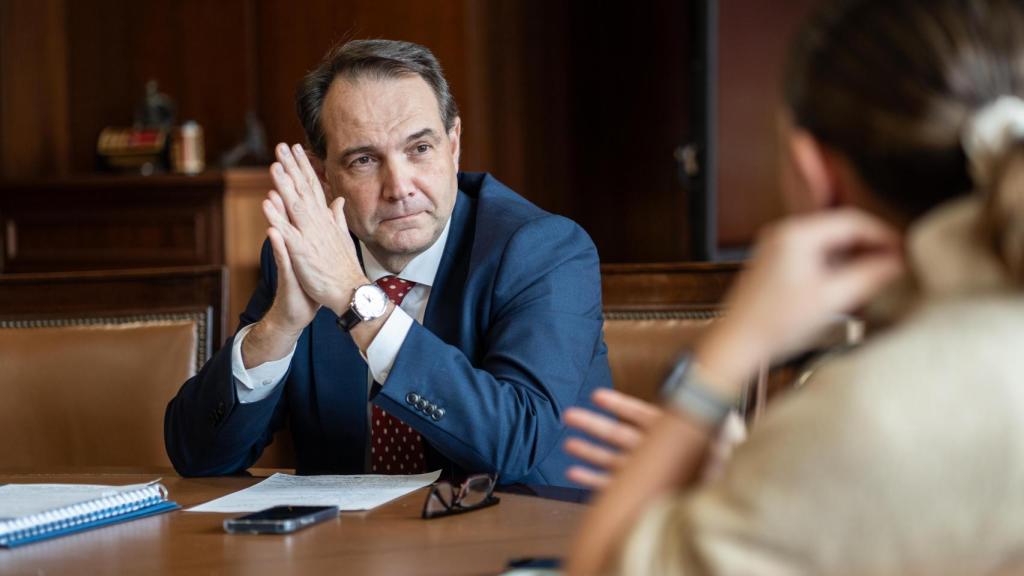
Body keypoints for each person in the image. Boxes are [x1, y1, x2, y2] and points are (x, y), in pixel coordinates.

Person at [567, 0, 1024, 573]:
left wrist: (724, 356)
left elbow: (600, 567)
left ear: (816, 175)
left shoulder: (869, 415)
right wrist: (760, 474)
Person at [164, 39, 611, 486]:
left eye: (419, 149)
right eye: (364, 159)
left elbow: (517, 442)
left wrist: (354, 299)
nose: (399, 187)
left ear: (453, 146)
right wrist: (278, 328)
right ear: (324, 176)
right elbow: (197, 456)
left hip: (518, 542)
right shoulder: (306, 258)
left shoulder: (543, 250)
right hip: (348, 548)